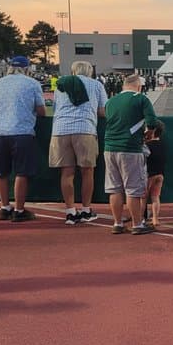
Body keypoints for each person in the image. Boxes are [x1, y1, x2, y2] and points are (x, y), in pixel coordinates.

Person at [0, 55, 46, 222]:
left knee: (1, 171)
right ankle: (19, 210)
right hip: (21, 130)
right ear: (27, 68)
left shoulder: (0, 82)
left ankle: (5, 207)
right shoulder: (32, 83)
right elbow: (41, 110)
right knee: (22, 172)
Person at [49, 60, 108, 224]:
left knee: (67, 173)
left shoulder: (61, 84)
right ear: (89, 71)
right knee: (87, 171)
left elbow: (55, 108)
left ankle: (70, 211)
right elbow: (102, 110)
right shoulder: (96, 85)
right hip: (85, 129)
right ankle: (86, 209)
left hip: (60, 130)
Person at [103, 73, 158, 235]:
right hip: (130, 148)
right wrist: (149, 133)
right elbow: (152, 121)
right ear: (139, 86)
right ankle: (137, 224)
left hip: (110, 147)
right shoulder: (140, 98)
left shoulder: (110, 101)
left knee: (114, 188)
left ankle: (117, 223)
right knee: (133, 189)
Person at [144, 120, 166, 227]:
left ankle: (142, 218)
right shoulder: (162, 144)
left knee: (143, 197)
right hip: (160, 174)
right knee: (155, 197)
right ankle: (155, 219)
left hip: (149, 174)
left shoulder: (147, 145)